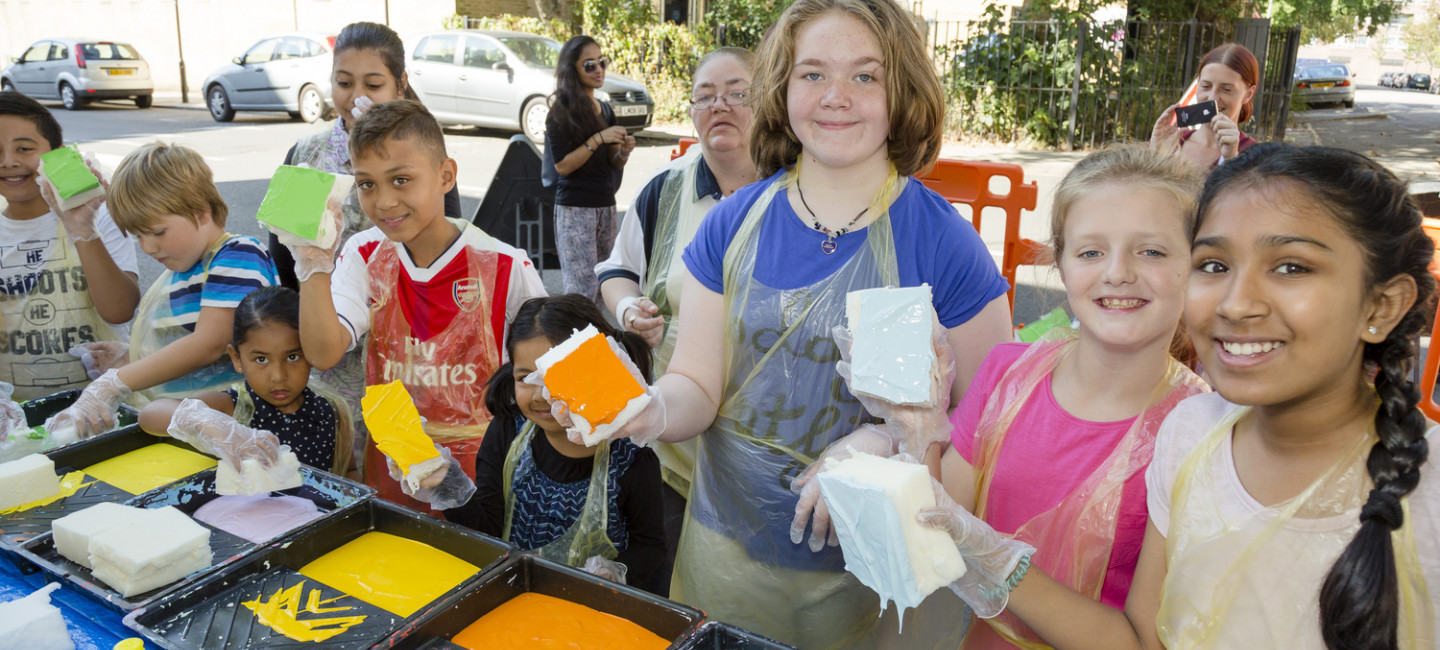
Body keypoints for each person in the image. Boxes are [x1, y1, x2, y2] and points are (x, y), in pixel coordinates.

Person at [582, 0, 1013, 645]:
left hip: (876, 584)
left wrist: (886, 443)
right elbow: (698, 386)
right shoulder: (732, 225)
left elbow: (993, 431)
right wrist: (647, 411)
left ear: (904, 93)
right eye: (812, 74)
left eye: (865, 76)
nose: (836, 97)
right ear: (782, 90)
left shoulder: (944, 244)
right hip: (728, 560)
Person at [922, 144, 1440, 648]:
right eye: (1215, 265)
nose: (1237, 304)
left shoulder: (1176, 426)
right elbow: (1153, 636)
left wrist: (1001, 564)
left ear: (1383, 303)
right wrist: (909, 433)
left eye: (1291, 267)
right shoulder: (1191, 436)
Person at [936, 145, 1209, 649]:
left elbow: (1142, 641)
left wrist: (1003, 566)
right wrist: (903, 434)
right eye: (1090, 251)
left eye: (1151, 251)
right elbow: (937, 518)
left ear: (1197, 267)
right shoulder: (1005, 374)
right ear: (1060, 264)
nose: (1118, 272)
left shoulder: (1199, 434)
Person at [294, 99, 546, 511]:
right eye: (367, 184)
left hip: (482, 475)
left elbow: (546, 375)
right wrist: (313, 264)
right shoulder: (363, 254)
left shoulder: (503, 264)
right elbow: (323, 352)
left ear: (446, 175)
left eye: (401, 180)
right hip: (392, 467)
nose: (384, 202)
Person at [594, 45, 759, 582]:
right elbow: (616, 271)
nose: (721, 107)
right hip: (674, 453)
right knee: (671, 588)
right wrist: (629, 309)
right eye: (705, 97)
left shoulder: (806, 193)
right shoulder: (666, 190)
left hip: (768, 462)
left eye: (738, 93)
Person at [45, 142, 278, 438]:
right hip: (192, 426)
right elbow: (179, 343)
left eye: (157, 232)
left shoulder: (237, 255)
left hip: (242, 426)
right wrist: (133, 355)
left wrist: (115, 382)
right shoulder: (182, 270)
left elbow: (209, 344)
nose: (147, 247)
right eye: (138, 235)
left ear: (201, 211)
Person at [445, 294, 666, 595]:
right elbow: (487, 530)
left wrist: (616, 574)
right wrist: (448, 488)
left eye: (555, 378)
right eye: (525, 378)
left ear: (598, 371)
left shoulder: (632, 460)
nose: (540, 396)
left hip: (593, 610)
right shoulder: (507, 431)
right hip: (515, 598)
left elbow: (651, 549)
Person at [269, 21, 463, 291]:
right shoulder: (307, 156)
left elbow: (447, 242)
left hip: (411, 319)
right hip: (326, 317)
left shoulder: (423, 153)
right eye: (344, 83)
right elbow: (284, 260)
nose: (356, 96)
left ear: (400, 84)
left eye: (373, 85)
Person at [0, 91, 139, 401]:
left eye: (24, 148)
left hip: (102, 403)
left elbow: (120, 310)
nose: (9, 161)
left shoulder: (97, 216)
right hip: (16, 416)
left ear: (58, 154)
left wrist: (82, 229)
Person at [138, 286, 352, 475]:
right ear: (236, 358)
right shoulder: (231, 408)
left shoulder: (330, 411)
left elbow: (349, 471)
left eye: (292, 357)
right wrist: (208, 423)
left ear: (311, 350)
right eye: (261, 359)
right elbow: (150, 415)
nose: (278, 375)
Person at [545, 35, 636, 309]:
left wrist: (623, 151)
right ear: (572, 69)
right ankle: (579, 347)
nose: (599, 70)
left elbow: (612, 162)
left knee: (605, 284)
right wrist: (598, 138)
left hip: (605, 205)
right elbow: (562, 166)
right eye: (589, 65)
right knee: (581, 291)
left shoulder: (605, 108)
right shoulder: (561, 111)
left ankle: (598, 345)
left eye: (602, 62)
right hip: (576, 209)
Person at [1149, 43, 1260, 171]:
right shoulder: (1171, 144)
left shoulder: (1255, 156)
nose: (1212, 98)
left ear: (1248, 94)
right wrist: (1155, 157)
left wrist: (1231, 160)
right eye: (1205, 86)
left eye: (1226, 89)